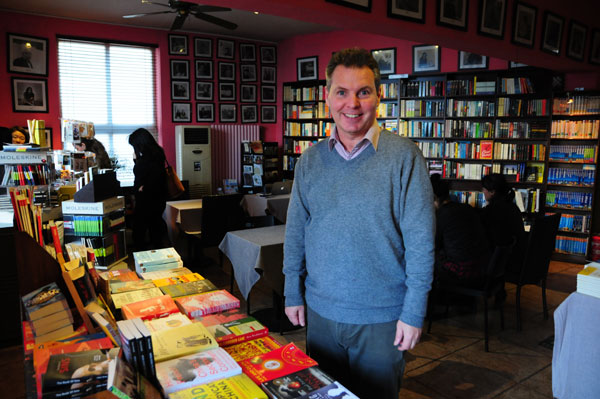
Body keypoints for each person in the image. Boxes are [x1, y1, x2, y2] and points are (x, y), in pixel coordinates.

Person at [283, 47, 435, 398]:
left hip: (382, 319)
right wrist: (293, 290)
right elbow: (296, 233)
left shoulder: (404, 157)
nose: (352, 104)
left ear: (378, 97)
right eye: (342, 92)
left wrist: (414, 312)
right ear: (327, 98)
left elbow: (421, 241)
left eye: (363, 92)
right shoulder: (310, 161)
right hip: (321, 315)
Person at [430, 174, 490, 286]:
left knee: (425, 259)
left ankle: (432, 300)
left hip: (462, 272)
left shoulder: (441, 215)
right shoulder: (467, 208)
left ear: (434, 198)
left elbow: (433, 245)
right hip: (482, 268)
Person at [480, 173, 526, 292]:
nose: (482, 191)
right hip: (517, 260)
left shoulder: (490, 212)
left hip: (502, 265)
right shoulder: (513, 208)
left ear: (492, 192)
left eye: (484, 189)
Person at [128, 128, 169, 251]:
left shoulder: (144, 160)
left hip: (146, 198)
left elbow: (140, 176)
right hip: (159, 196)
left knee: (139, 230)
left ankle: (141, 255)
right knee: (155, 226)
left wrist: (136, 161)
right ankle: (159, 253)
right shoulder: (158, 153)